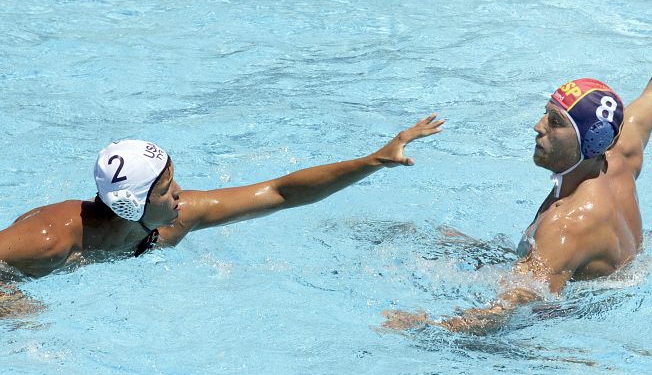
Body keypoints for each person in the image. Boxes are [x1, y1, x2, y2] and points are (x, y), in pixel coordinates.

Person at [383, 0, 652, 334]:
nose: (538, 127)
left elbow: (507, 311)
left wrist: (425, 327)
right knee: (431, 237)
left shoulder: (567, 225)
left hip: (576, 315)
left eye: (555, 122)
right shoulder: (620, 152)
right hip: (604, 268)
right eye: (545, 114)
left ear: (590, 140)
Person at [0, 114, 444, 281]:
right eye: (166, 189)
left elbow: (281, 192)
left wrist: (372, 161)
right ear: (131, 205)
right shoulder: (49, 239)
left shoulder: (175, 220)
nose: (180, 194)